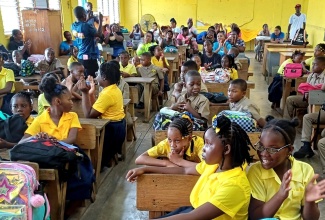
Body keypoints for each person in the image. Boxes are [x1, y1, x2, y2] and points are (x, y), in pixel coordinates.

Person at [126, 115, 252, 219]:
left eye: (208, 144)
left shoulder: (234, 185)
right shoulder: (214, 166)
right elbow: (185, 170)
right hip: (191, 211)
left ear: (226, 149)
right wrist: (145, 169)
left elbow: (193, 217)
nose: (203, 149)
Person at [247, 117, 325, 220]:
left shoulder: (305, 171)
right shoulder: (256, 171)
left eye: (272, 149)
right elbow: (255, 216)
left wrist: (309, 202)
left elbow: (311, 218)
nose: (263, 154)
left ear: (289, 150)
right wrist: (280, 196)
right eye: (261, 146)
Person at [77, 62, 126, 167]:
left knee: (84, 135)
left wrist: (85, 93)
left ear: (104, 77)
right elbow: (97, 108)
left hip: (111, 131)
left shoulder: (107, 93)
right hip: (118, 127)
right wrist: (91, 92)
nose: (96, 76)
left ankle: (101, 162)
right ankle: (107, 158)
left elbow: (89, 115)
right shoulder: (112, 88)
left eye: (97, 74)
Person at [19, 75, 81, 145]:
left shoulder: (72, 116)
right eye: (69, 100)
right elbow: (21, 142)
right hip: (47, 154)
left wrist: (51, 143)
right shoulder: (40, 120)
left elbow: (71, 139)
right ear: (58, 101)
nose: (72, 103)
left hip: (65, 154)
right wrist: (36, 137)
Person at [135, 117, 204, 167]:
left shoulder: (198, 144)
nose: (172, 145)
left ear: (189, 139)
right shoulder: (165, 144)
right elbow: (139, 159)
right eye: (169, 139)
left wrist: (179, 161)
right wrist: (166, 163)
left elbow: (207, 167)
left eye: (177, 140)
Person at [71, 6, 103, 78]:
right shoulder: (86, 25)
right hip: (89, 57)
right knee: (93, 78)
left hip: (80, 56)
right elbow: (99, 34)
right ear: (83, 14)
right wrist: (100, 21)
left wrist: (87, 18)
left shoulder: (73, 26)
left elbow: (82, 27)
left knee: (83, 77)